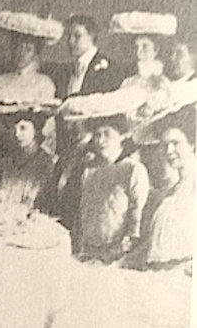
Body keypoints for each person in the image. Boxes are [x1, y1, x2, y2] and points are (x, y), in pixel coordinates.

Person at [76, 115, 149, 263]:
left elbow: (137, 218)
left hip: (117, 256)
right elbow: (83, 212)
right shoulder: (89, 170)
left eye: (107, 134)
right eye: (97, 135)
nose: (100, 141)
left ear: (122, 135)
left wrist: (121, 254)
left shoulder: (133, 169)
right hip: (88, 251)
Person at [135, 126, 194, 269]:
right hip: (161, 273)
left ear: (192, 144)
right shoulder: (172, 192)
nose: (169, 151)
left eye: (175, 143)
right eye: (164, 145)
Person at [0, 111, 56, 211]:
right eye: (14, 129)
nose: (17, 134)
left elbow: (43, 202)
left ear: (36, 130)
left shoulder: (45, 162)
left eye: (23, 128)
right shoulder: (7, 160)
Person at [57, 15, 127, 98]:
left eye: (77, 36)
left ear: (91, 36)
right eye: (69, 35)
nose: (71, 41)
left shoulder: (107, 68)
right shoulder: (69, 69)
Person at [0, 33, 57, 105]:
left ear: (35, 54)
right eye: (18, 47)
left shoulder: (45, 83)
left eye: (28, 50)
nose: (21, 53)